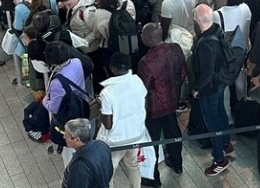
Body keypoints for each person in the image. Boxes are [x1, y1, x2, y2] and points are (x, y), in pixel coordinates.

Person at [189, 4, 234, 177]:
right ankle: (226, 143)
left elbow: (206, 72)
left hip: (209, 88)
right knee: (220, 112)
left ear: (199, 21)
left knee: (212, 122)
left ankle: (219, 160)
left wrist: (196, 89)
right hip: (220, 82)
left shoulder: (204, 44)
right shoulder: (217, 31)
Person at [137, 23, 185, 179]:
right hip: (173, 101)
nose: (141, 37)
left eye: (143, 34)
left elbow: (142, 88)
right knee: (173, 132)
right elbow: (183, 72)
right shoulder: (175, 48)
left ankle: (153, 176)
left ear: (150, 38)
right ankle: (177, 164)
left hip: (154, 107)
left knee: (152, 141)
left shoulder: (146, 61)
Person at [97, 52, 149, 188]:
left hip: (116, 140)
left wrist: (101, 109)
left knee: (110, 168)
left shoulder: (107, 92)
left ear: (113, 68)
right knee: (133, 164)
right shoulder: (138, 80)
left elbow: (108, 125)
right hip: (136, 135)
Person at [62, 121, 114, 188]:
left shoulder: (79, 166)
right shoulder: (101, 144)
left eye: (67, 136)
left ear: (77, 140)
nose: (64, 137)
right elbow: (110, 169)